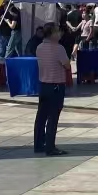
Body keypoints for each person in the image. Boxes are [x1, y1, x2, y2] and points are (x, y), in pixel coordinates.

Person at [34, 23, 70, 155]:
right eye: (58, 31)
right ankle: (50, 147)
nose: (60, 34)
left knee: (41, 116)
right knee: (53, 118)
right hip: (56, 86)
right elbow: (67, 65)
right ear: (52, 34)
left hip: (44, 85)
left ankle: (38, 144)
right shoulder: (59, 48)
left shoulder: (39, 47)